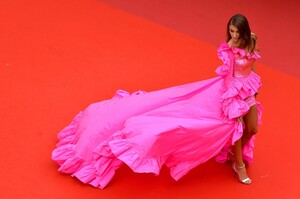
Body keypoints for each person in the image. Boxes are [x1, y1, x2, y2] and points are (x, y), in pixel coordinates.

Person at [52, 13, 262, 188]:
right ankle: (239, 164)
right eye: (231, 31)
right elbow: (228, 74)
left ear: (244, 31)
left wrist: (253, 87)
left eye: (236, 32)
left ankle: (233, 155)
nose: (233, 35)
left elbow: (251, 66)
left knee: (252, 128)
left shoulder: (251, 41)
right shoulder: (228, 48)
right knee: (233, 126)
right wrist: (230, 98)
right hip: (230, 93)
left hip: (249, 91)